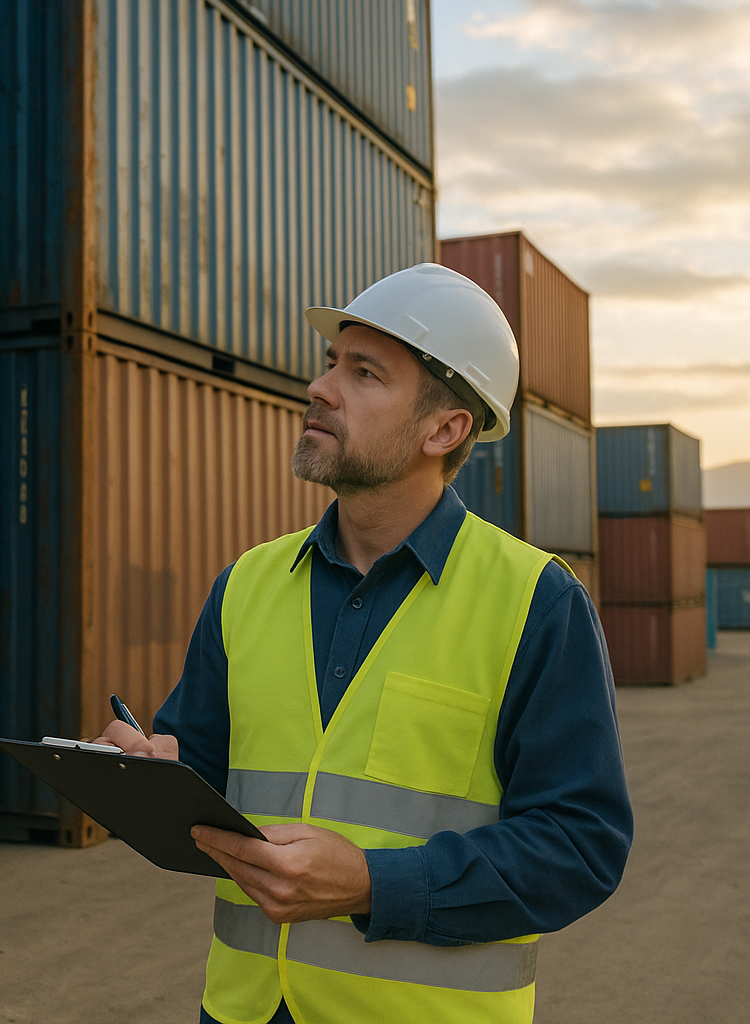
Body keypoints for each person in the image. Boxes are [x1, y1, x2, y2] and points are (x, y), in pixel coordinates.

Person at [97, 263, 633, 1024]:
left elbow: (580, 849)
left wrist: (374, 885)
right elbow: (209, 782)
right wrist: (150, 776)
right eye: (330, 363)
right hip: (249, 1010)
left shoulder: (534, 603)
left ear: (444, 430)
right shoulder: (248, 583)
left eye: (364, 372)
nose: (321, 388)